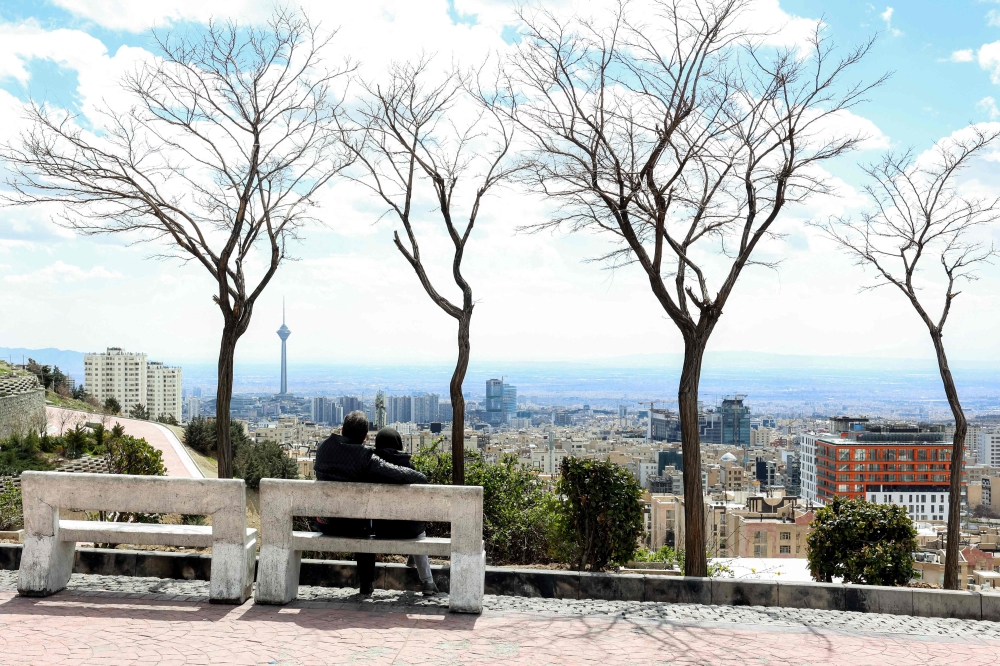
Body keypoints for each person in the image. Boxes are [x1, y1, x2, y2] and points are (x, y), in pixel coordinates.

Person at [313, 410, 426, 596]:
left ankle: (366, 583)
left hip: (325, 523)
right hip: (354, 526)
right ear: (365, 437)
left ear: (342, 429)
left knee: (360, 522)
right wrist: (421, 476)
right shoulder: (364, 457)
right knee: (364, 525)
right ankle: (366, 583)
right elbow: (399, 473)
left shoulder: (324, 447)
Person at [373, 427, 439, 596]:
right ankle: (428, 581)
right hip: (410, 531)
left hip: (380, 530)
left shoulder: (373, 467)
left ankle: (367, 583)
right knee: (418, 533)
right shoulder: (409, 466)